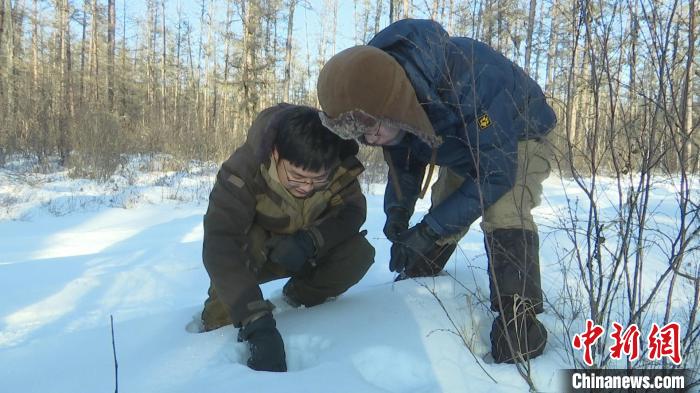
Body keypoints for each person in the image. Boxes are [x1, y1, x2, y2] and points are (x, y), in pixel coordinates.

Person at [316, 19, 556, 364]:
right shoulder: (384, 88)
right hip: (462, 143)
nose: (368, 140)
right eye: (358, 134)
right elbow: (404, 159)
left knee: (503, 209)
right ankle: (421, 267)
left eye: (370, 128)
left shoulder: (470, 76)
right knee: (446, 202)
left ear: (393, 104)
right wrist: (398, 215)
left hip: (519, 136)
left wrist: (428, 230)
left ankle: (521, 320)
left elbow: (496, 174)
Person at [200, 104, 375, 372]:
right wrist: (256, 322)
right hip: (255, 256)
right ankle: (235, 318)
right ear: (275, 153)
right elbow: (220, 243)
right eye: (297, 177)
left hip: (304, 253)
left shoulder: (337, 165)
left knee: (359, 254)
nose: (306, 187)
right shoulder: (242, 171)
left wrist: (311, 240)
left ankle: (297, 296)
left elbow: (352, 212)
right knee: (221, 318)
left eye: (318, 180)